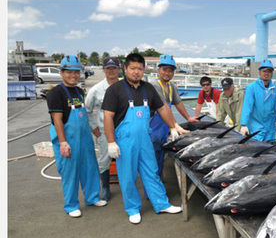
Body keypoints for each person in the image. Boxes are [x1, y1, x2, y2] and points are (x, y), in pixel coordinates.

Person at [102, 53, 182, 224]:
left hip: (145, 138)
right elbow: (108, 117)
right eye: (133, 68)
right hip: (124, 141)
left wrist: (172, 126)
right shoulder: (114, 90)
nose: (136, 72)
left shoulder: (148, 88)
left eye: (140, 68)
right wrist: (110, 142)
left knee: (151, 172)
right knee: (128, 176)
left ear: (144, 70)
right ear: (125, 69)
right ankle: (132, 209)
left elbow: (162, 109)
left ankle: (161, 204)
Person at [46, 55, 107, 218]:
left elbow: (83, 114)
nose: (73, 75)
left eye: (76, 72)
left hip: (84, 138)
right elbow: (57, 119)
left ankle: (92, 197)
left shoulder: (79, 91)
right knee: (70, 172)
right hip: (68, 139)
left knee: (90, 168)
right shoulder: (56, 93)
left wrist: (93, 129)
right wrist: (63, 142)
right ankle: (71, 205)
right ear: (62, 72)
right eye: (69, 72)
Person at [149, 54, 193, 178]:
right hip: (153, 127)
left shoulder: (171, 86)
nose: (167, 73)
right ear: (159, 70)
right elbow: (164, 107)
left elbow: (178, 103)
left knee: (160, 158)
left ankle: (158, 184)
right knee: (152, 160)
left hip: (163, 127)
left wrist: (188, 118)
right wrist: (174, 125)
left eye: (170, 70)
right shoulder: (154, 85)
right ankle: (152, 192)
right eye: (164, 70)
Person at [85, 57, 121, 201]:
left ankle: (127, 185)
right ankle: (105, 187)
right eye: (108, 68)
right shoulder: (96, 90)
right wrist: (93, 128)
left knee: (126, 158)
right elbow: (87, 109)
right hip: (105, 132)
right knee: (104, 160)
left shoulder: (125, 86)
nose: (111, 71)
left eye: (114, 68)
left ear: (119, 69)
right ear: (103, 69)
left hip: (123, 130)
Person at [239, 59, 276, 141]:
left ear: (272, 73)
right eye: (264, 71)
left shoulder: (274, 87)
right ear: (259, 72)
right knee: (257, 150)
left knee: (269, 150)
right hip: (256, 127)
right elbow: (247, 107)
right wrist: (244, 124)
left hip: (270, 127)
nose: (266, 73)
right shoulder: (252, 87)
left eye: (269, 71)